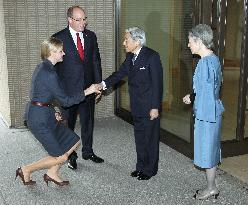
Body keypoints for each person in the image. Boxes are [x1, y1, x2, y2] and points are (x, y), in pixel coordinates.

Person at [16, 37, 101, 186]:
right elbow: (66, 101)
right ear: (52, 53)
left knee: (75, 141)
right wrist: (88, 91)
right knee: (61, 157)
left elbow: (42, 94)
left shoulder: (43, 67)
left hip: (44, 113)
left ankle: (52, 173)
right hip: (39, 119)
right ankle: (26, 169)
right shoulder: (49, 73)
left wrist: (52, 109)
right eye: (61, 51)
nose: (64, 54)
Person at [100, 27, 163, 180]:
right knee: (140, 138)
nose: (124, 43)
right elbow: (119, 74)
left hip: (149, 107)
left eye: (126, 40)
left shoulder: (152, 56)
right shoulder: (130, 57)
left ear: (137, 41)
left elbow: (158, 84)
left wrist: (155, 107)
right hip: (136, 106)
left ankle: (150, 170)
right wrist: (102, 85)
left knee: (150, 140)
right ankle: (140, 167)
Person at [53, 5, 104, 170]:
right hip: (69, 92)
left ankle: (88, 151)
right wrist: (57, 93)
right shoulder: (58, 38)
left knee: (88, 122)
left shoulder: (91, 36)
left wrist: (98, 85)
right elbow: (54, 69)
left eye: (85, 19)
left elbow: (96, 61)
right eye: (79, 19)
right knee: (69, 125)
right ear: (70, 20)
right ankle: (71, 155)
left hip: (88, 89)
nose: (83, 23)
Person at [183, 24, 225, 199]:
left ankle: (211, 188)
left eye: (190, 41)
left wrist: (197, 108)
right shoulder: (213, 59)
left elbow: (206, 94)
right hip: (213, 110)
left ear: (199, 41)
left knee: (207, 151)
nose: (188, 45)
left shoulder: (204, 63)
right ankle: (211, 184)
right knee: (211, 150)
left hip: (207, 115)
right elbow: (210, 87)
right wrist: (193, 96)